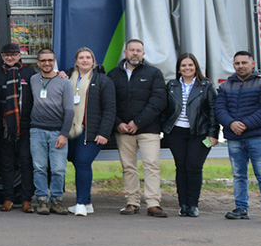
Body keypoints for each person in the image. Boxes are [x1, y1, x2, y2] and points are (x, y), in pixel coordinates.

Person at [216, 50, 261, 225]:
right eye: (237, 63)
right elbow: (219, 109)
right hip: (234, 138)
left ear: (252, 64)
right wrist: (231, 124)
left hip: (257, 137)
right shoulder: (225, 86)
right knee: (238, 175)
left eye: (244, 62)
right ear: (233, 65)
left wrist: (244, 124)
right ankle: (241, 209)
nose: (241, 66)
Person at [107, 38, 168, 217]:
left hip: (149, 129)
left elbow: (158, 101)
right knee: (128, 167)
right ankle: (132, 202)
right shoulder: (113, 75)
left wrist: (138, 122)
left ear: (143, 53)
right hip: (123, 130)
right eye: (132, 50)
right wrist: (118, 123)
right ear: (125, 52)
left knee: (151, 165)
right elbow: (109, 103)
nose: (135, 53)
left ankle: (153, 203)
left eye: (138, 50)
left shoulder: (154, 73)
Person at [162, 53, 219, 218]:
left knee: (194, 167)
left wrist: (213, 134)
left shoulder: (206, 86)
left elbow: (213, 111)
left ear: (196, 67)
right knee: (181, 167)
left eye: (190, 65)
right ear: (179, 69)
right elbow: (164, 108)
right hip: (176, 133)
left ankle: (193, 204)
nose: (187, 68)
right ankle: (183, 205)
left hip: (200, 133)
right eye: (183, 65)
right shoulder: (172, 85)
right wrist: (164, 128)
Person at [66, 47, 116, 216]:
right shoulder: (68, 78)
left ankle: (80, 203)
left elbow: (110, 109)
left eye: (88, 57)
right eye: (81, 57)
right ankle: (87, 203)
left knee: (82, 162)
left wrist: (104, 133)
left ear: (93, 61)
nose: (85, 60)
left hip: (92, 131)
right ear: (76, 61)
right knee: (76, 161)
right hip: (71, 130)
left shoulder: (103, 81)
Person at [0, 41, 35, 212]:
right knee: (6, 163)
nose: (10, 58)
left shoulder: (29, 73)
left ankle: (26, 199)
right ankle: (8, 198)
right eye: (6, 55)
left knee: (25, 162)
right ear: (2, 56)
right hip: (5, 127)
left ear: (19, 56)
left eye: (13, 55)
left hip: (25, 125)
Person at [29, 49, 74, 215]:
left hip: (57, 131)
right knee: (39, 167)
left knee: (58, 169)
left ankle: (56, 200)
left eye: (50, 60)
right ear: (38, 63)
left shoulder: (64, 82)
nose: (46, 63)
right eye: (43, 60)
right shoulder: (34, 79)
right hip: (37, 130)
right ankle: (41, 200)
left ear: (54, 62)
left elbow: (69, 110)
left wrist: (64, 134)